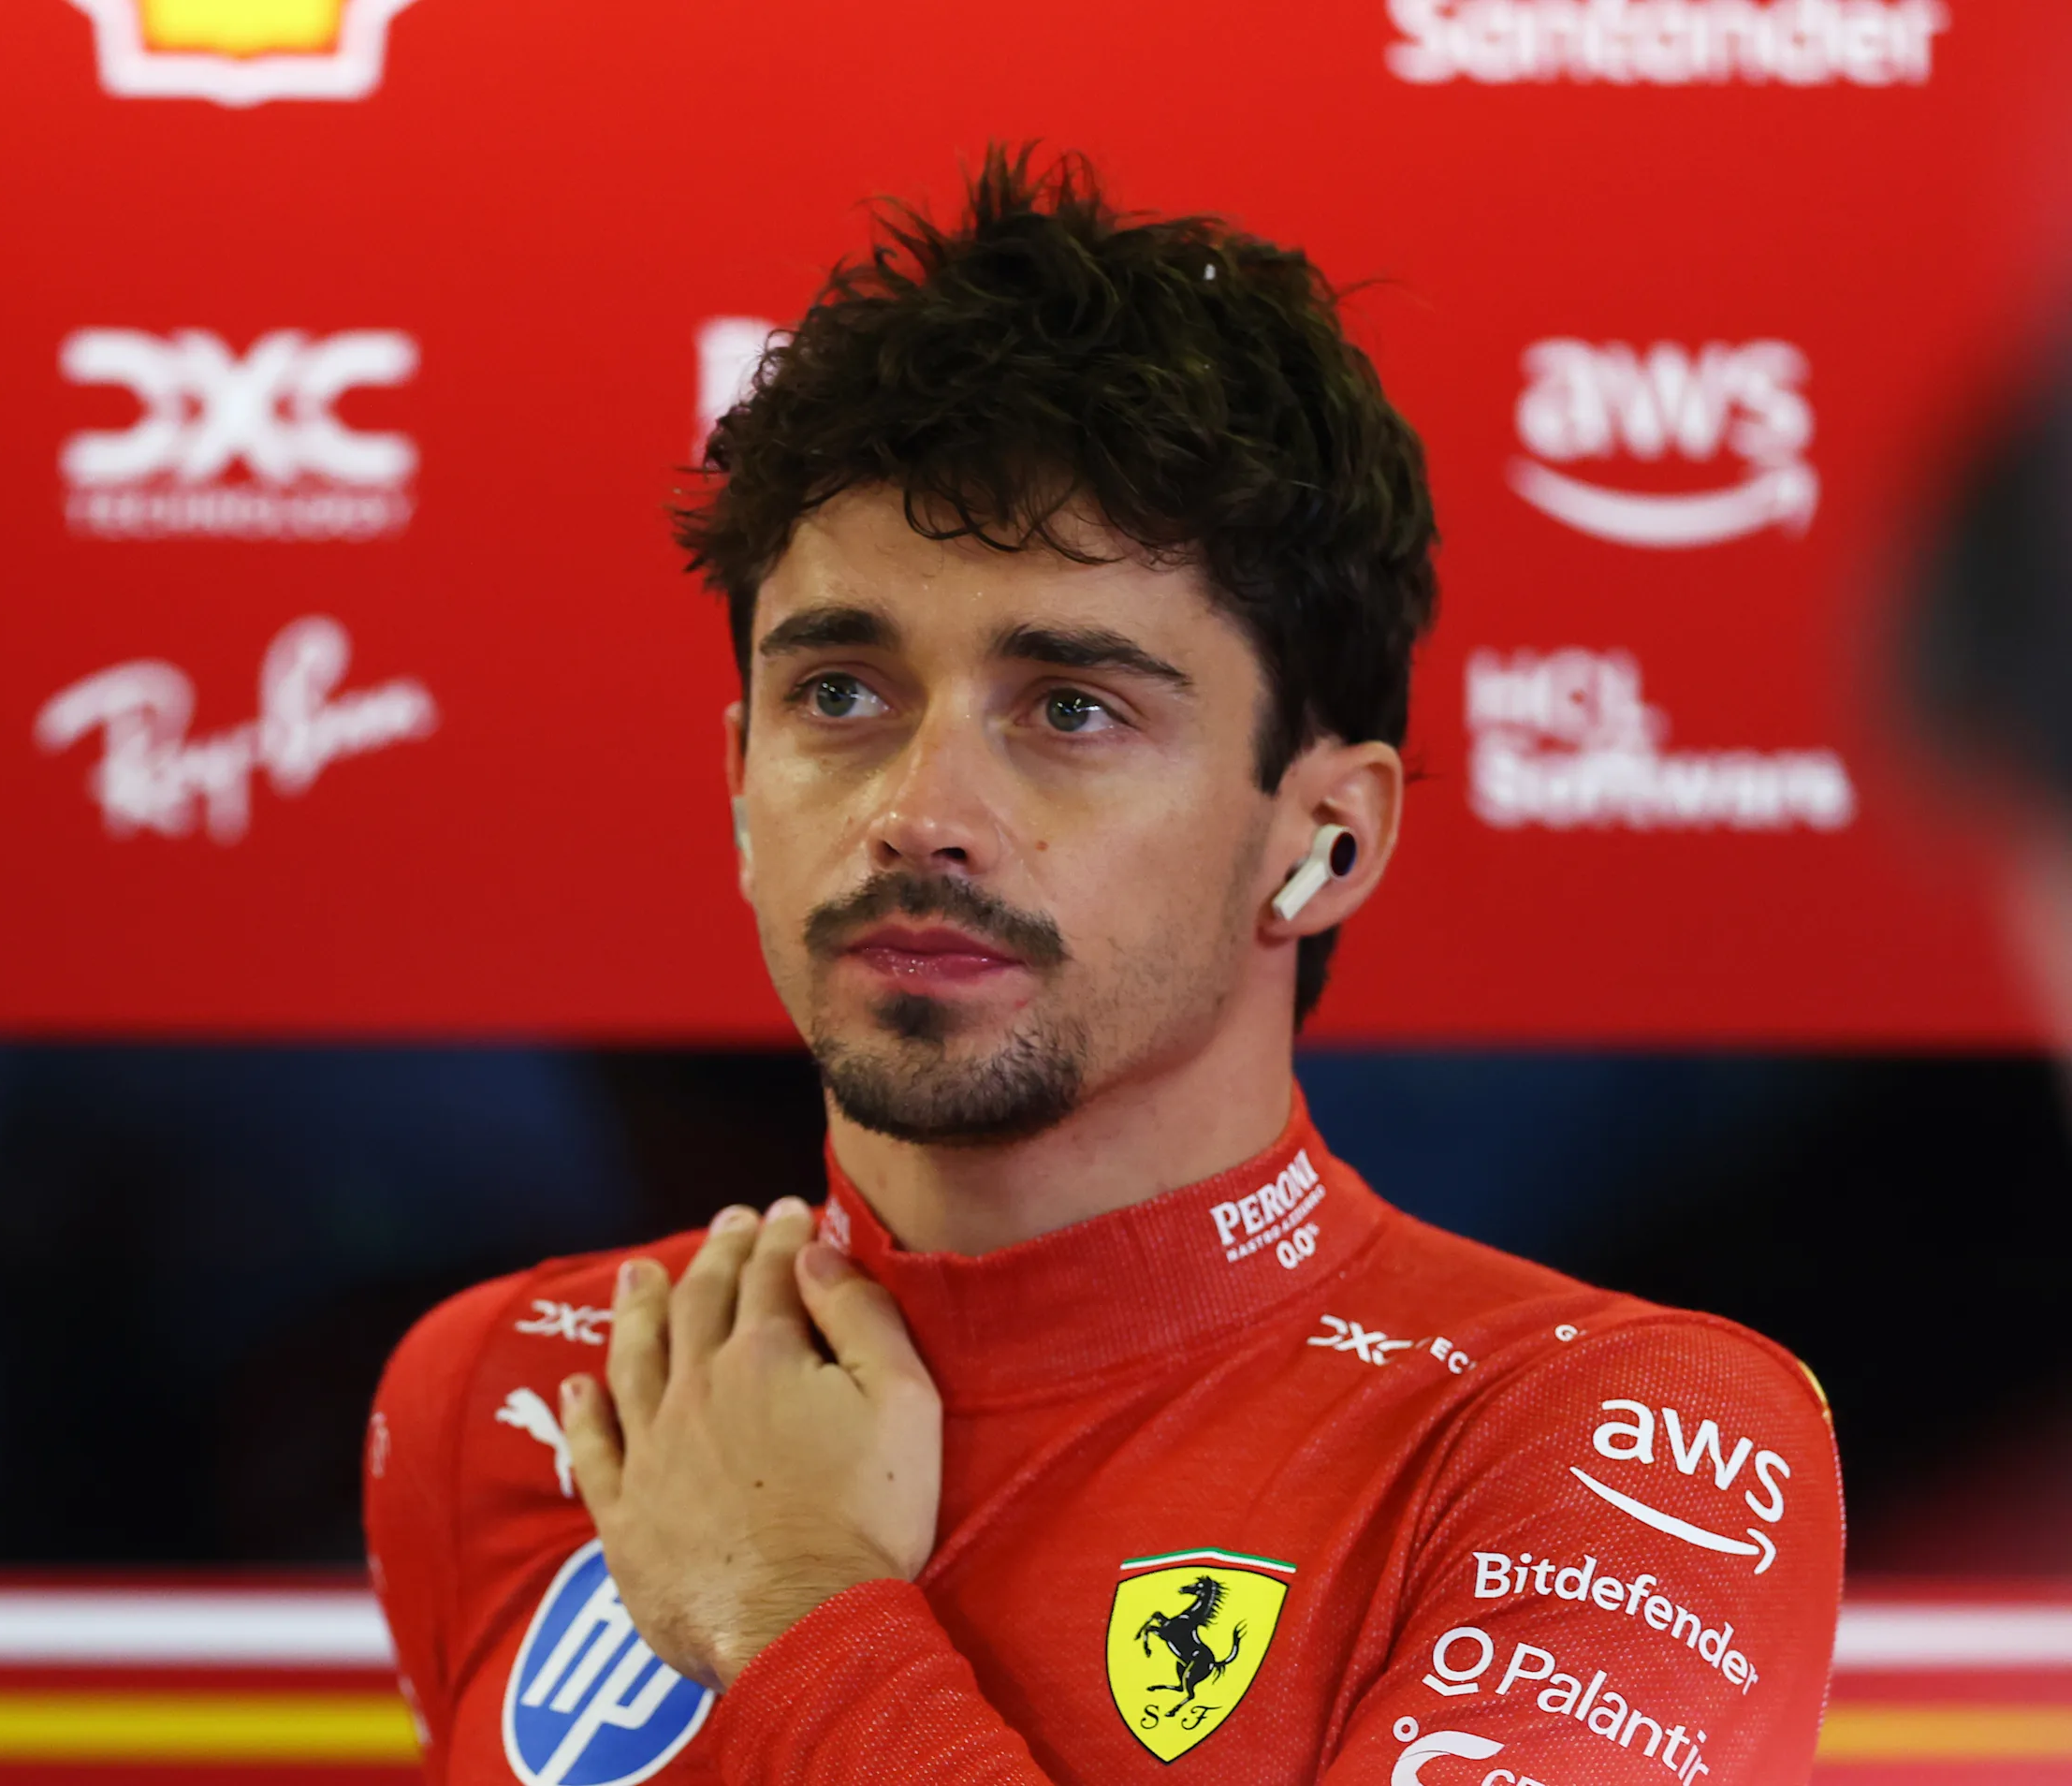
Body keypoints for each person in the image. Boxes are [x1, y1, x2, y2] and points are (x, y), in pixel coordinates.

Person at [362, 148, 1839, 1786]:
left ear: (1327, 837)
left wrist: (794, 1612)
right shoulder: (516, 1391)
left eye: (1072, 708)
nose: (919, 814)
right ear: (736, 785)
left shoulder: (1622, 1445)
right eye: (840, 695)